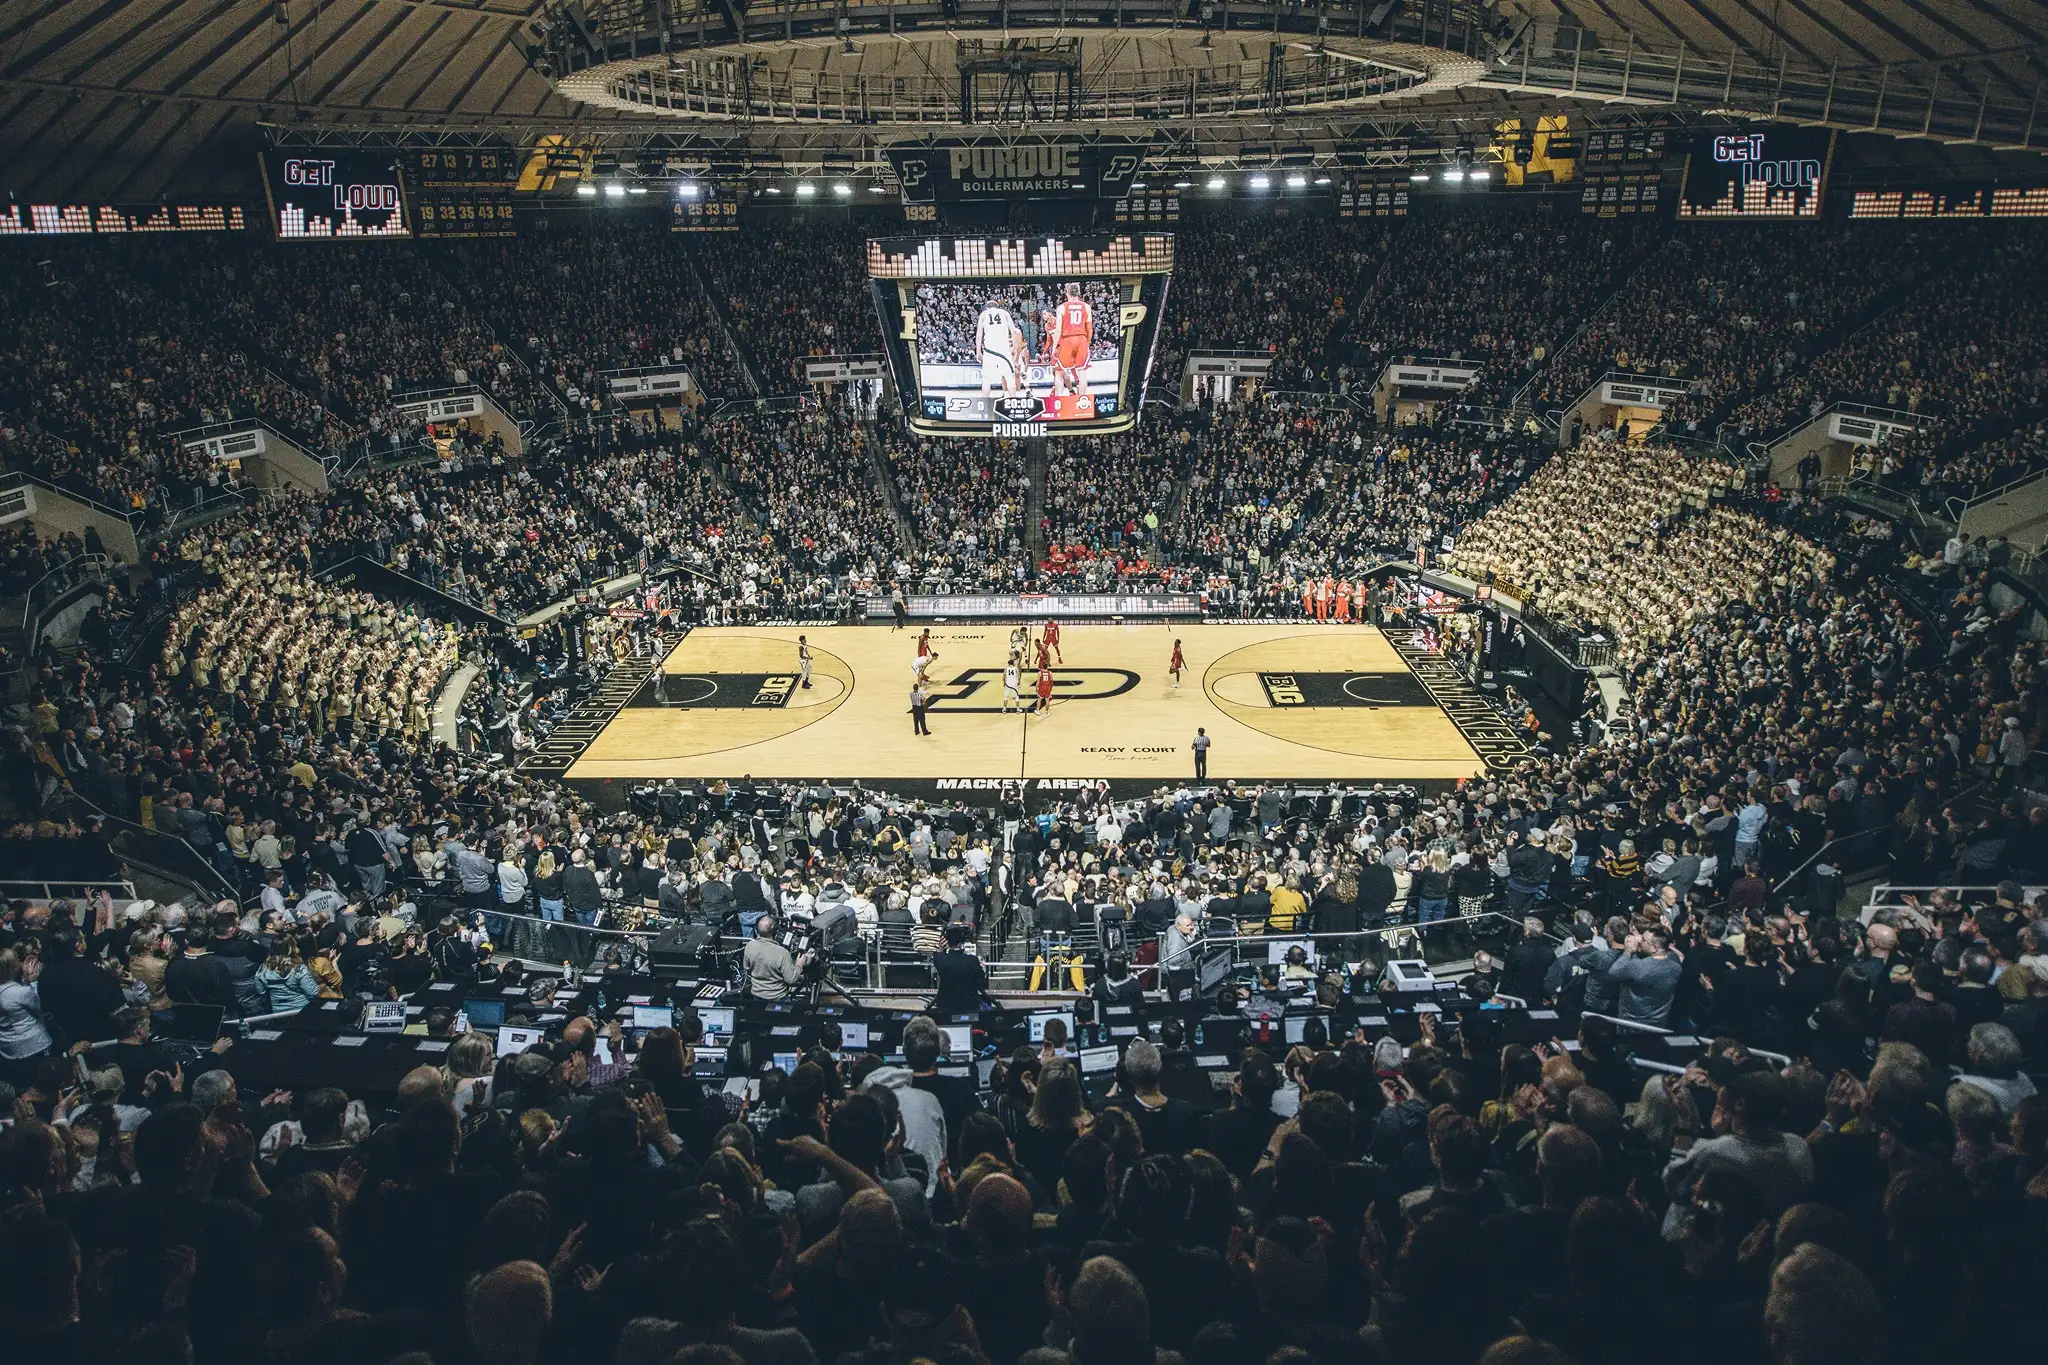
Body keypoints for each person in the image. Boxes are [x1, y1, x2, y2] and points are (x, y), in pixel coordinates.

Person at [744, 914, 809, 1000]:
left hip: (756, 996)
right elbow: (791, 979)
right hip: (778, 998)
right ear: (774, 930)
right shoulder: (782, 953)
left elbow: (746, 967)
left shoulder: (749, 946)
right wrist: (799, 965)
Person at [931, 922, 990, 1014]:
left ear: (946, 941)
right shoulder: (972, 960)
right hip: (969, 1008)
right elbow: (981, 984)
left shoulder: (941, 960)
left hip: (946, 1009)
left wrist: (940, 947)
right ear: (962, 940)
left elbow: (938, 954)